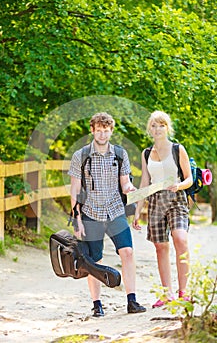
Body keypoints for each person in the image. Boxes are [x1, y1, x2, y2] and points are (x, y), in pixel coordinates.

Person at [68, 112, 147, 317]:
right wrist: (77, 220)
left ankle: (132, 301)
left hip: (115, 211)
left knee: (127, 252)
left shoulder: (120, 154)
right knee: (94, 260)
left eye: (106, 131)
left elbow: (125, 182)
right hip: (90, 213)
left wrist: (130, 188)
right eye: (99, 130)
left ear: (111, 131)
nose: (102, 135)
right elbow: (75, 190)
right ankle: (97, 304)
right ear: (92, 130)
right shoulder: (81, 156)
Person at [132, 110, 193, 308]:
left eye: (162, 125)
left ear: (168, 128)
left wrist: (179, 186)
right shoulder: (147, 153)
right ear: (149, 129)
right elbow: (144, 182)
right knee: (160, 247)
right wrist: (137, 210)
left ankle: (184, 292)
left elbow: (189, 178)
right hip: (155, 201)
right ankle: (167, 293)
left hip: (176, 198)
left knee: (180, 238)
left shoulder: (177, 149)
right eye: (154, 125)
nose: (157, 129)